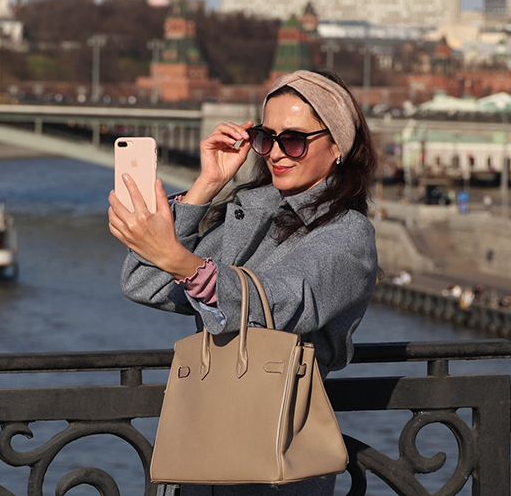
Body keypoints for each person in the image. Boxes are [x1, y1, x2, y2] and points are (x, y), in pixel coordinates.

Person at [109, 69, 379, 496]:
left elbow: (284, 301)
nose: (275, 153)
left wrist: (181, 261)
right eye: (265, 137)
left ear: (338, 146)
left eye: (294, 139)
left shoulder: (347, 236)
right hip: (201, 452)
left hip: (275, 462)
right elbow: (145, 282)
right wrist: (208, 184)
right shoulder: (250, 215)